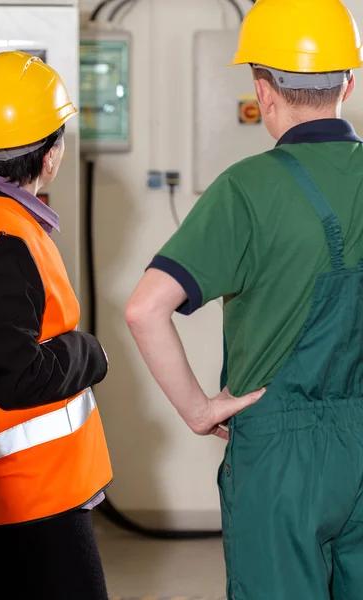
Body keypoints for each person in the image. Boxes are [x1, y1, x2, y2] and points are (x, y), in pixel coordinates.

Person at [125, 1, 363, 598]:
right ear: (349, 83)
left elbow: (144, 308)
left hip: (282, 460)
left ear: (264, 90)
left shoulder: (246, 188)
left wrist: (200, 410)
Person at [0, 51, 112, 600]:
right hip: (31, 501)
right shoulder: (8, 240)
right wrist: (89, 352)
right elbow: (17, 376)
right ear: (50, 156)